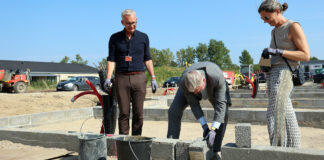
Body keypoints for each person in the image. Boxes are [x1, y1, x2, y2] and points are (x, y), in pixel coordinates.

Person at [258, 0, 310, 148]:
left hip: (286, 73)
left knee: (277, 111)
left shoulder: (293, 26)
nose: (265, 22)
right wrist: (265, 60)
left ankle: (280, 149)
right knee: (282, 112)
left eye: (267, 18)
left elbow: (305, 55)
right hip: (273, 74)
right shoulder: (274, 31)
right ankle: (292, 149)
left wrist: (279, 51)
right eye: (263, 19)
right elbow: (274, 55)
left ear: (277, 12)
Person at [104, 9, 158, 136]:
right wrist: (108, 77)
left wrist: (153, 77)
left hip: (139, 77)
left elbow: (148, 59)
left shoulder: (143, 37)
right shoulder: (114, 38)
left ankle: (136, 140)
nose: (132, 25)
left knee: (139, 113)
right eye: (129, 23)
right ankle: (124, 142)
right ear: (122, 22)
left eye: (134, 22)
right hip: (121, 78)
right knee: (124, 113)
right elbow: (111, 59)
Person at [167, 61, 231, 156]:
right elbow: (194, 105)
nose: (196, 94)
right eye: (194, 92)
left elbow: (220, 107)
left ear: (204, 81)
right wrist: (204, 126)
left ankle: (214, 150)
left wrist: (213, 129)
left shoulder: (217, 77)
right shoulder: (184, 82)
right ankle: (170, 146)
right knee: (173, 111)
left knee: (223, 114)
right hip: (188, 85)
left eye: (198, 91)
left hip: (214, 87)